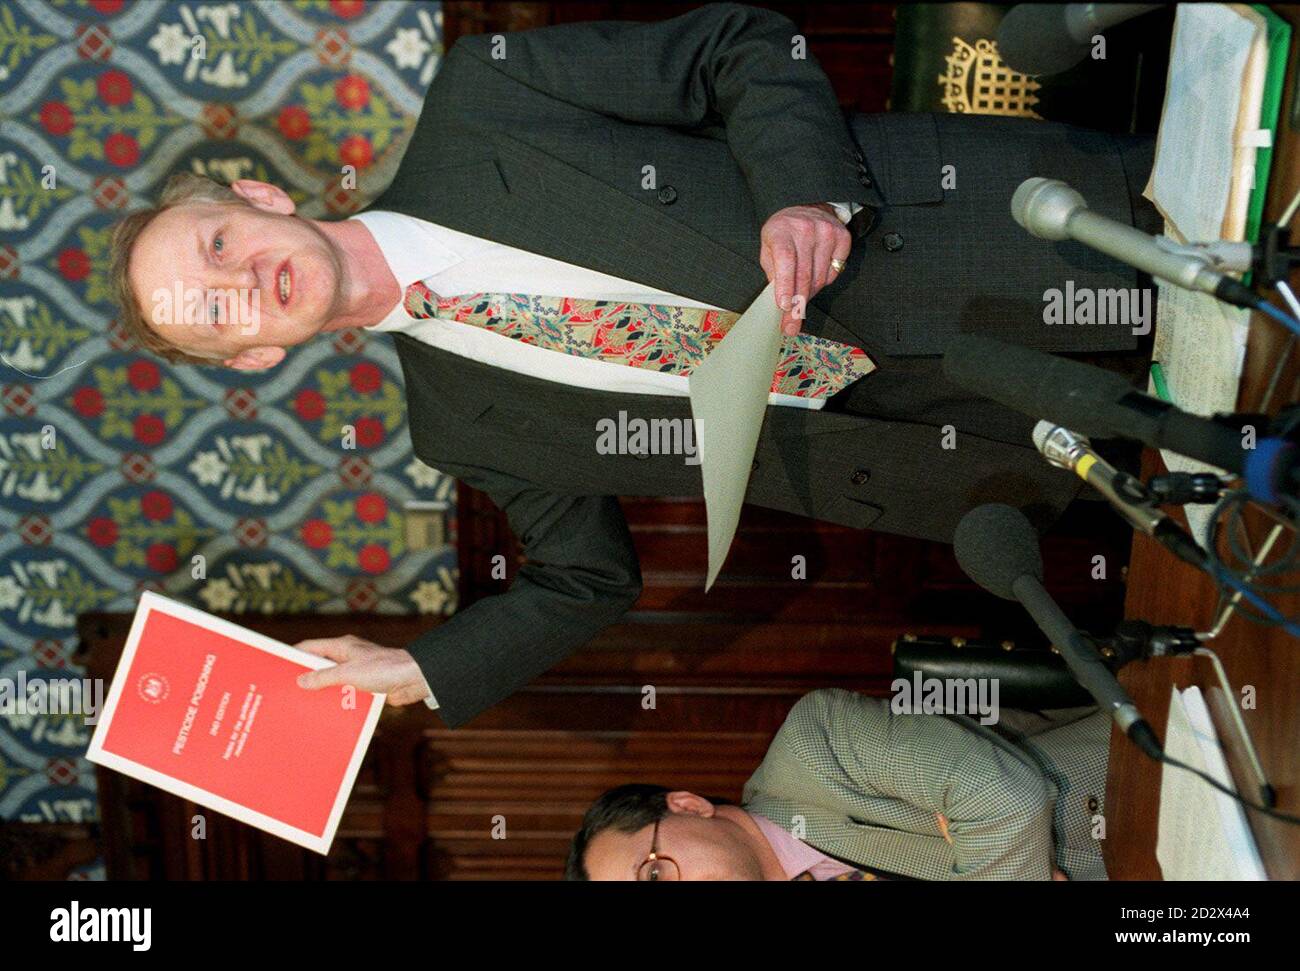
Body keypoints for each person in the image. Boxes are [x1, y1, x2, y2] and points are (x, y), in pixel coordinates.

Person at [111, 5, 1159, 725]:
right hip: (979, 449)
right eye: (216, 311)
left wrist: (803, 195)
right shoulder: (457, 427)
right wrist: (420, 666)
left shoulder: (482, 96)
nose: (240, 280)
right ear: (252, 351)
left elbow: (736, 45)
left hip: (1008, 235)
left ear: (258, 200)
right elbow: (585, 578)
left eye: (215, 246)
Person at [567, 688, 1109, 881]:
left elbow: (1001, 798)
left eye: (656, 875)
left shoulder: (814, 748)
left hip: (1143, 802)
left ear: (687, 807)